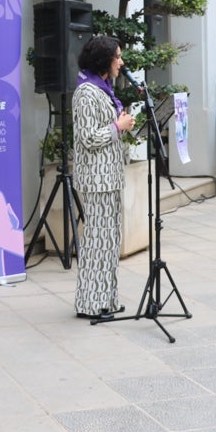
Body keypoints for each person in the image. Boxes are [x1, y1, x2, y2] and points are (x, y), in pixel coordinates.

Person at [70, 35, 134, 318]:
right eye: (117, 56)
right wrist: (117, 127)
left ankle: (106, 299)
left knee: (109, 242)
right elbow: (87, 138)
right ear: (104, 60)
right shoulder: (86, 92)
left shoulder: (103, 90)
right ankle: (90, 305)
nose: (121, 62)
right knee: (97, 242)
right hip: (96, 180)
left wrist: (122, 125)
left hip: (109, 177)